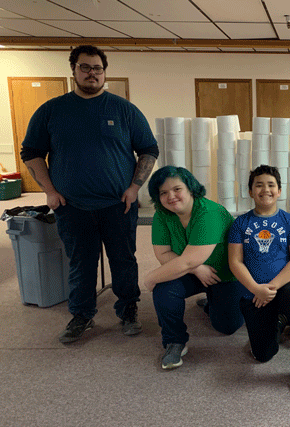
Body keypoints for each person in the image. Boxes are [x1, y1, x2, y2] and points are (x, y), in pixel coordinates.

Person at [20, 45, 158, 343]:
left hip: (118, 204)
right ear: (73, 72)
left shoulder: (124, 110)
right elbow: (31, 152)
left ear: (104, 72)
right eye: (85, 67)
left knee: (123, 259)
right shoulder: (52, 110)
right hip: (71, 205)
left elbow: (148, 149)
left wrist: (135, 187)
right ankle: (82, 314)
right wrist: (50, 191)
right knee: (81, 262)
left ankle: (128, 308)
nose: (91, 73)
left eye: (97, 68)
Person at [142, 166, 244, 369]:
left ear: (190, 189)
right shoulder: (163, 215)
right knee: (164, 288)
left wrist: (150, 278)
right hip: (196, 271)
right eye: (163, 192)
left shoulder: (209, 213)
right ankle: (174, 341)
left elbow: (187, 260)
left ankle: (211, 301)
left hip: (226, 274)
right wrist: (196, 269)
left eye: (177, 189)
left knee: (227, 327)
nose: (171, 196)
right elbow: (163, 254)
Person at [228, 165, 290, 396]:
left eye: (270, 185)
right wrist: (256, 289)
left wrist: (272, 287)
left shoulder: (289, 221)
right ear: (250, 191)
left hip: (285, 284)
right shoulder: (240, 223)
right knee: (263, 355)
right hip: (254, 292)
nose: (265, 189)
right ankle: (279, 320)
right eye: (259, 184)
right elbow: (235, 262)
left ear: (279, 191)